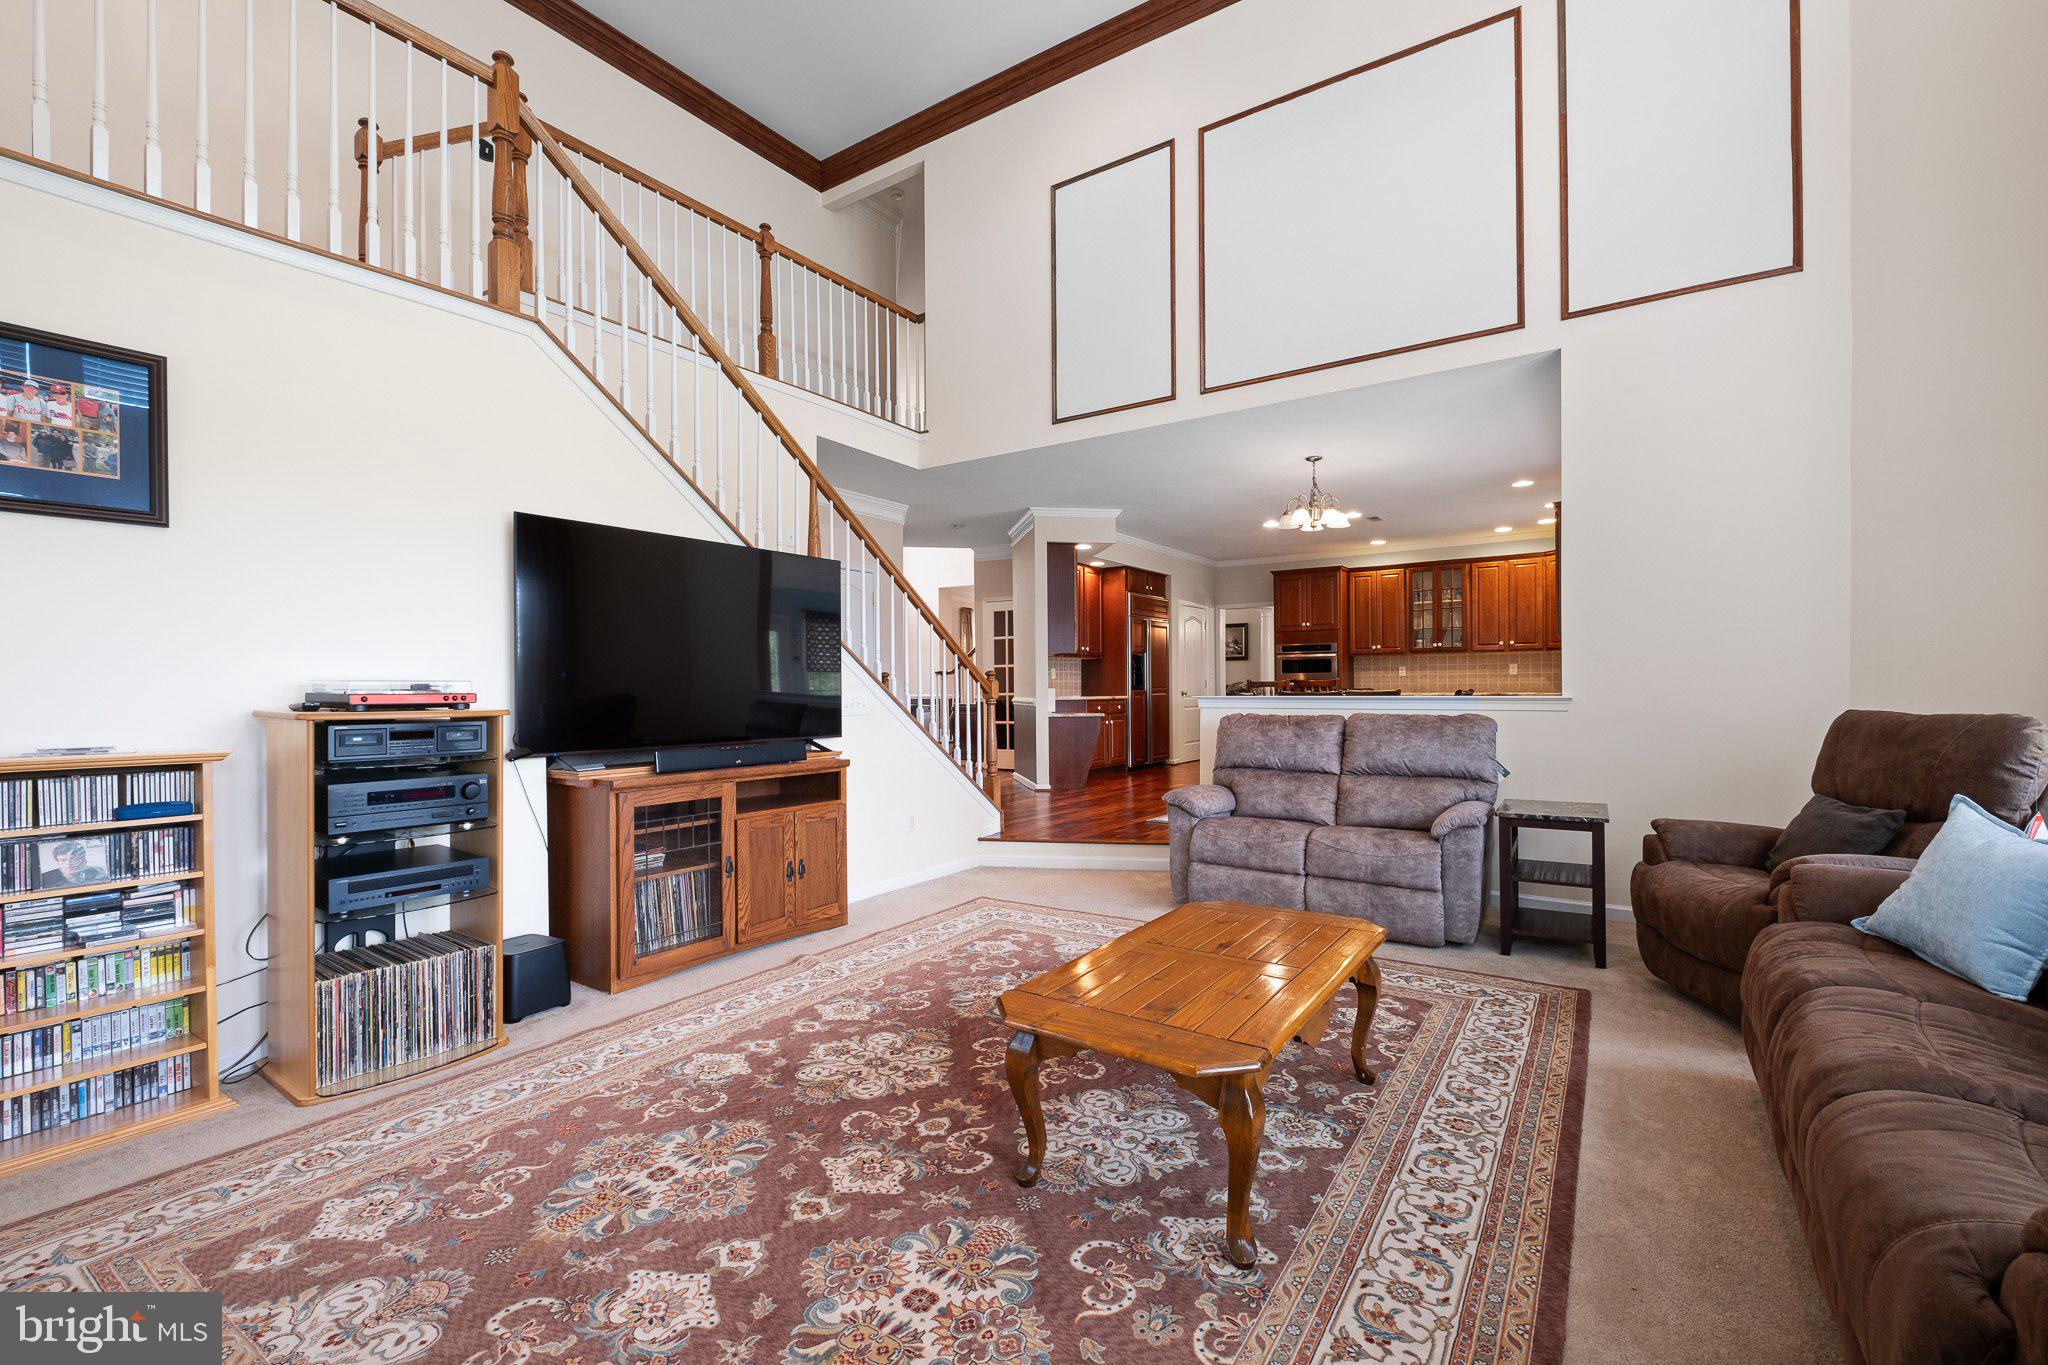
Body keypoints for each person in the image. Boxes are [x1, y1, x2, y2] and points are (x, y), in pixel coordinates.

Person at [41, 840, 108, 888]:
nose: (68, 863)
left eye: (73, 859)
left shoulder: (98, 871)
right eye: (63, 860)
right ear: (57, 861)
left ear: (83, 859)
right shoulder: (45, 878)